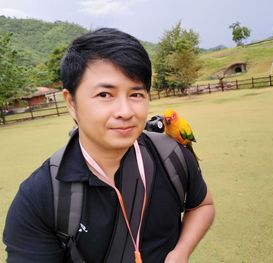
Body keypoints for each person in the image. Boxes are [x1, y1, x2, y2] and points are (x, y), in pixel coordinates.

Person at [3, 28, 215, 263]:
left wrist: (181, 251)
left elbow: (202, 205)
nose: (125, 112)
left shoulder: (172, 155)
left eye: (136, 94)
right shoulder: (39, 197)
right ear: (71, 103)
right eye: (105, 94)